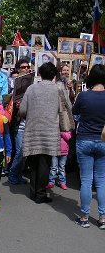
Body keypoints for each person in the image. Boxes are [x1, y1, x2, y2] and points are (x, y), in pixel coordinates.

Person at [19, 62, 60, 204]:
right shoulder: (58, 89)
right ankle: (41, 194)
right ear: (54, 75)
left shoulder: (31, 89)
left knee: (34, 162)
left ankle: (33, 191)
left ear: (40, 74)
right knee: (44, 163)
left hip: (33, 130)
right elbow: (66, 109)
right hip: (50, 132)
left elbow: (22, 110)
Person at [72, 64, 105, 229]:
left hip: (85, 139)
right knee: (101, 180)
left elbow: (75, 114)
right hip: (103, 140)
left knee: (86, 180)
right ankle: (102, 218)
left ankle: (84, 217)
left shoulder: (83, 96)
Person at [8, 59, 31, 185]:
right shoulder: (12, 82)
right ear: (18, 69)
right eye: (23, 67)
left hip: (29, 121)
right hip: (18, 122)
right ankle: (12, 174)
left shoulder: (32, 84)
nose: (26, 69)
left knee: (25, 151)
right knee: (20, 150)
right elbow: (7, 101)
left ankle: (19, 174)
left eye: (27, 67)